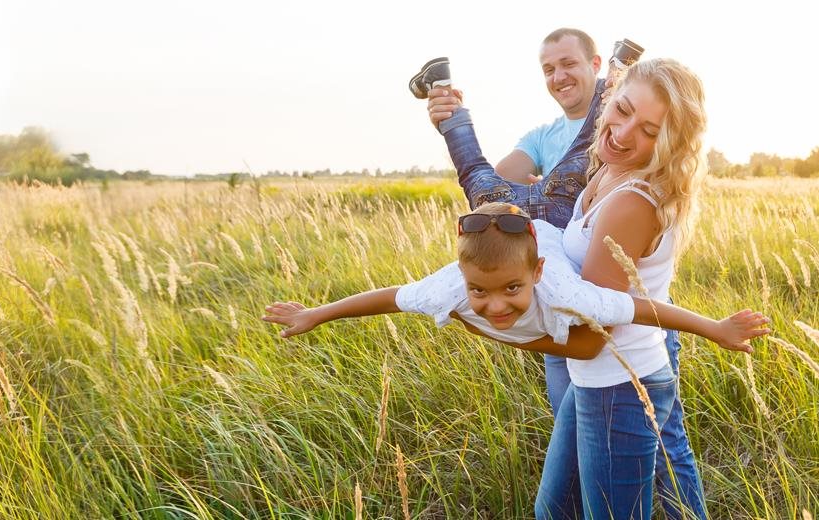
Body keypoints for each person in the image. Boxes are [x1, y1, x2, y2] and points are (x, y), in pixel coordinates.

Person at [424, 30, 709, 519]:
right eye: (621, 112)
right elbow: (496, 187)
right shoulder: (605, 167)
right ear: (611, 98)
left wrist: (487, 324)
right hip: (602, 376)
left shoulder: (630, 197)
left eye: (649, 130)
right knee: (564, 506)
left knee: (646, 474)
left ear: (598, 72)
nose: (623, 134)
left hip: (616, 375)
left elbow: (591, 338)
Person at [262, 202, 767, 361]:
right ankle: (500, 202)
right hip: (514, 241)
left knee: (532, 216)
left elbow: (640, 308)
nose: (496, 304)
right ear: (463, 278)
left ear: (535, 278)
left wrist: (715, 328)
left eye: (511, 289)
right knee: (488, 192)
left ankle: (519, 207)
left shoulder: (561, 290)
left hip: (542, 237)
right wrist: (315, 314)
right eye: (479, 291)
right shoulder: (449, 287)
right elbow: (389, 298)